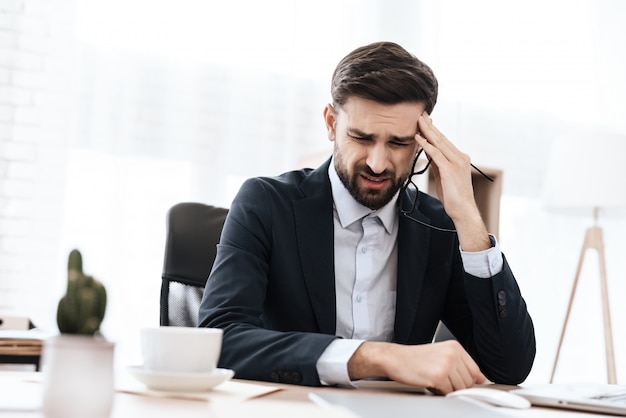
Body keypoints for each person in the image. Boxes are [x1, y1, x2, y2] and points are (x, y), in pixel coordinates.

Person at [198, 41, 535, 394]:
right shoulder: (266, 204)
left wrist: (468, 217)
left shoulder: (439, 226)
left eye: (398, 143)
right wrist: (375, 357)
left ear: (423, 140)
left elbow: (509, 366)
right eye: (362, 137)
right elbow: (221, 340)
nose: (377, 163)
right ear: (331, 123)